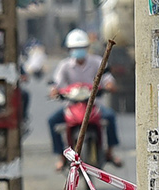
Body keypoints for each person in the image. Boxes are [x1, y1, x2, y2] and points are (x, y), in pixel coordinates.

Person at [47, 28, 119, 170]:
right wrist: (54, 91)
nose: (78, 51)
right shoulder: (65, 65)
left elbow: (108, 78)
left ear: (86, 47)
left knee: (110, 117)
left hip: (94, 105)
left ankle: (110, 152)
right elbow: (57, 84)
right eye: (75, 48)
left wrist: (109, 85)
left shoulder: (97, 62)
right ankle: (61, 157)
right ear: (69, 49)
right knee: (52, 121)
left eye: (81, 48)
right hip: (71, 105)